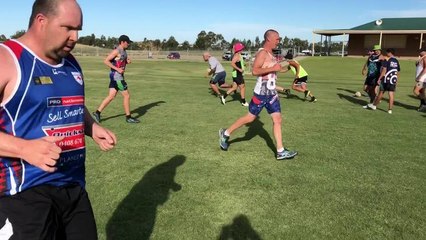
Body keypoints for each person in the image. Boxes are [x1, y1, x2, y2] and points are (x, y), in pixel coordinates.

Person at [0, 0, 117, 239]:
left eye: (78, 30)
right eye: (68, 28)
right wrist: (24, 148)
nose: (74, 37)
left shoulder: (71, 62)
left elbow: (71, 103)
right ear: (41, 21)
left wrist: (91, 127)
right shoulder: (8, 59)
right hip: (24, 194)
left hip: (73, 185)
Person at [218, 29, 298, 160]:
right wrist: (274, 68)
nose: (279, 41)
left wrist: (289, 67)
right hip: (261, 93)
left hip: (271, 93)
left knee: (277, 119)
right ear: (269, 39)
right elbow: (255, 71)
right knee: (249, 118)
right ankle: (226, 134)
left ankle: (280, 151)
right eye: (277, 39)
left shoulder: (271, 54)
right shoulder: (262, 53)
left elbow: (275, 71)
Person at [92, 35, 140, 123]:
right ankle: (128, 117)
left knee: (111, 96)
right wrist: (117, 69)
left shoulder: (124, 51)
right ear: (122, 42)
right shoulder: (117, 51)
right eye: (127, 42)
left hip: (115, 77)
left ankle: (97, 113)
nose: (128, 44)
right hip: (117, 77)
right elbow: (106, 61)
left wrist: (126, 62)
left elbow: (119, 61)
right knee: (126, 95)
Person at [366, 48, 401, 114]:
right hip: (393, 79)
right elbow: (398, 71)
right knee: (391, 94)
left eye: (387, 53)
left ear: (390, 53)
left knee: (381, 93)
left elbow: (384, 70)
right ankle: (390, 110)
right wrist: (396, 80)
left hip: (385, 79)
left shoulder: (387, 60)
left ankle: (374, 106)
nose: (386, 54)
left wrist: (379, 78)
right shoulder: (396, 61)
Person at [414, 47, 426, 112]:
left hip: (422, 79)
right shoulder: (421, 58)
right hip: (422, 79)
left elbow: (425, 69)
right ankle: (423, 105)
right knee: (422, 92)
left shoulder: (425, 58)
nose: (419, 52)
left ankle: (425, 103)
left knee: (415, 91)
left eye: (421, 51)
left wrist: (419, 77)